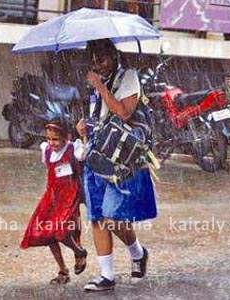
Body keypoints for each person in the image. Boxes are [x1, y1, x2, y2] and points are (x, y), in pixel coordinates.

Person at [76, 38, 157, 292]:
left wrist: (99, 85)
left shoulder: (128, 77)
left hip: (119, 158)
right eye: (93, 61)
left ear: (113, 56)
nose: (97, 64)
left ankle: (137, 252)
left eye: (101, 59)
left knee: (112, 217)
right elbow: (100, 118)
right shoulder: (96, 84)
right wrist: (84, 127)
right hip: (96, 155)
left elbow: (123, 112)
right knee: (98, 216)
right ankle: (106, 275)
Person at [20, 121, 88, 285]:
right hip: (52, 197)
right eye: (49, 138)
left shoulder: (74, 149)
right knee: (45, 233)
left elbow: (85, 156)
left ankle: (79, 252)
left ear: (67, 137)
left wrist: (84, 136)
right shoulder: (46, 149)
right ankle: (63, 270)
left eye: (56, 139)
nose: (51, 143)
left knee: (61, 231)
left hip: (70, 196)